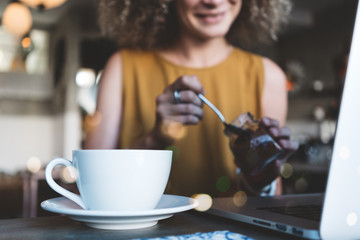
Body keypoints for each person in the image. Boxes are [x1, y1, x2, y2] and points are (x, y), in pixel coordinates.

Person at [84, 0, 298, 197]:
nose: (213, 2)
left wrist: (258, 175)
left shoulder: (268, 76)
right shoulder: (122, 67)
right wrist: (155, 139)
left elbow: (270, 198)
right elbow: (91, 185)